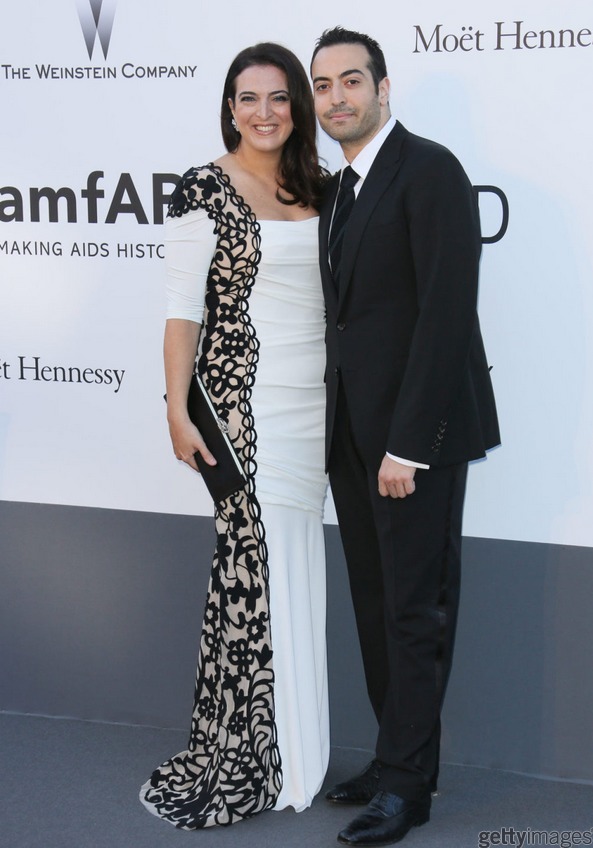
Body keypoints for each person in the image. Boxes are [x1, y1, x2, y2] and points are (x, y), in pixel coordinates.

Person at [310, 27, 500, 846]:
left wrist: (407, 444)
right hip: (351, 434)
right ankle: (395, 761)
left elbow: (445, 314)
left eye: (350, 81)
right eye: (321, 86)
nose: (335, 98)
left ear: (383, 89)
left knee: (413, 613)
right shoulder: (342, 188)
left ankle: (409, 789)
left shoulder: (430, 171)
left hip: (411, 442)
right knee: (373, 603)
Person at [139, 43, 330, 829]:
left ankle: (301, 750)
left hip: (317, 402)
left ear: (297, 107)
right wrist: (176, 411)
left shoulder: (319, 186)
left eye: (279, 98)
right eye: (247, 98)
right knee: (255, 568)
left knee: (299, 559)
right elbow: (182, 310)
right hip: (239, 407)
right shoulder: (203, 188)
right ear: (228, 106)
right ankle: (256, 751)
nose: (263, 113)